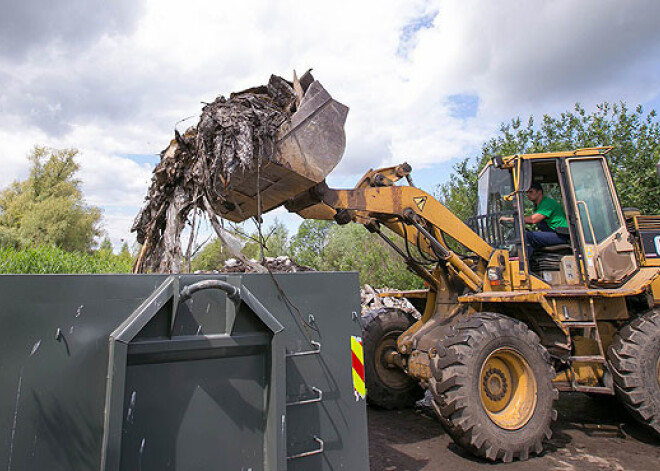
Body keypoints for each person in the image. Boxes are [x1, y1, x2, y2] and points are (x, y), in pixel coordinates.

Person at [501, 182, 570, 258]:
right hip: (553, 233)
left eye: (531, 192)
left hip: (561, 236)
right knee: (528, 234)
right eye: (527, 192)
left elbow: (533, 220)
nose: (528, 195)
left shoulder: (547, 203)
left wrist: (511, 219)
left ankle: (524, 263)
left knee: (527, 235)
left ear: (539, 192)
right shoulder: (539, 206)